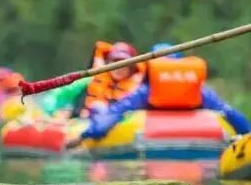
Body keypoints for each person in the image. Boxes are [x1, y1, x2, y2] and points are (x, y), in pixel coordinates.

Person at [76, 43, 251, 144]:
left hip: (150, 141)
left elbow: (114, 113)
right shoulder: (199, 91)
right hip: (200, 144)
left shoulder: (146, 92)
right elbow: (229, 112)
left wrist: (85, 135)